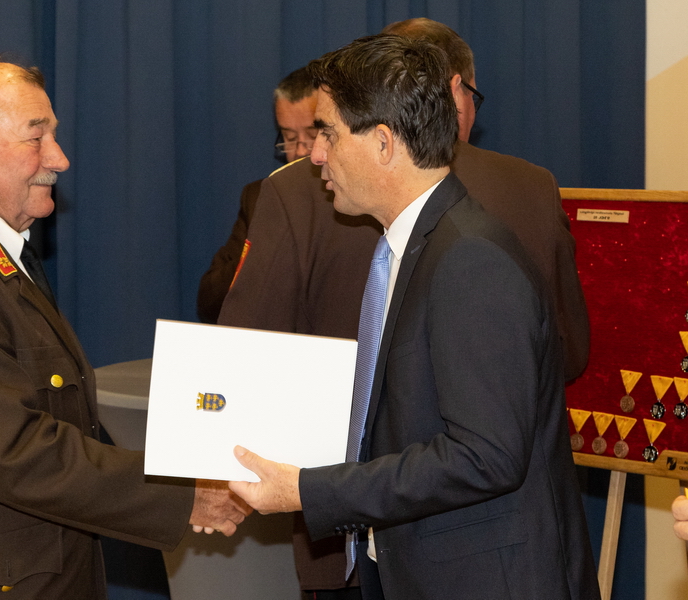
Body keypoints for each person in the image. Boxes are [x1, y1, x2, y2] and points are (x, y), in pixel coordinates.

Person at [0, 56, 249, 599]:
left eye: (53, 136)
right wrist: (185, 493)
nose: (59, 158)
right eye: (36, 138)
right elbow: (16, 453)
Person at [218, 18, 591, 599]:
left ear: (384, 143)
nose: (315, 154)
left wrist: (311, 491)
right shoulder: (415, 244)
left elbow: (486, 456)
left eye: (329, 133)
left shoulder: (470, 259)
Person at [196, 67, 319, 324]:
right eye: (289, 137)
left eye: (312, 135)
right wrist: (266, 239)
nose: (300, 151)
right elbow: (209, 303)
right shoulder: (259, 197)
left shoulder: (359, 201)